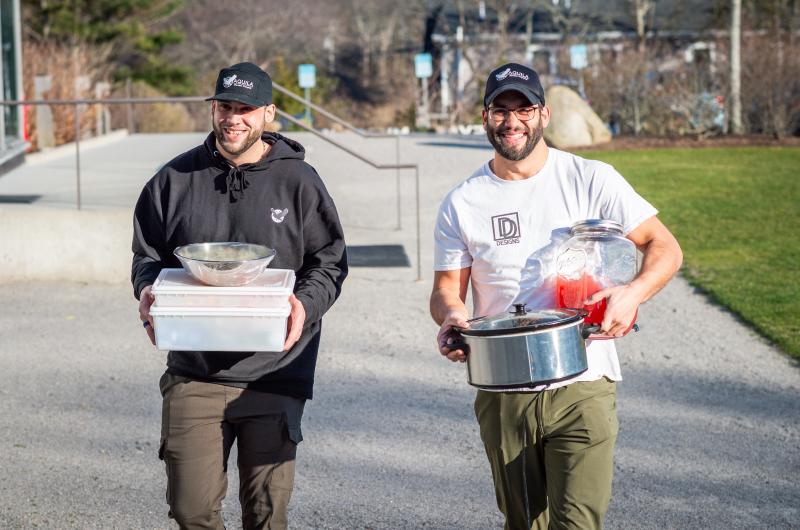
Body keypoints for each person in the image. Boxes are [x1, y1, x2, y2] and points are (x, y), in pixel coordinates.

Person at [429, 63, 682, 529]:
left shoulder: (591, 178)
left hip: (584, 378)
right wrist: (453, 317)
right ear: (485, 117)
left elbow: (665, 247)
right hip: (504, 387)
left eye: (523, 108)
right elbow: (447, 288)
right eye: (500, 110)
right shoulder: (462, 202)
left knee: (579, 523)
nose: (512, 121)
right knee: (525, 523)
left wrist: (632, 293)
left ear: (543, 114)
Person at [132, 61, 348, 529]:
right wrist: (147, 289)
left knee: (266, 515)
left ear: (269, 113)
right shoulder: (174, 179)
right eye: (224, 106)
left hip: (274, 374)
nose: (233, 118)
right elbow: (147, 253)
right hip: (195, 372)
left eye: (245, 109)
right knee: (191, 510)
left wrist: (303, 304)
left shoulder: (299, 182)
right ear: (213, 109)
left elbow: (329, 262)